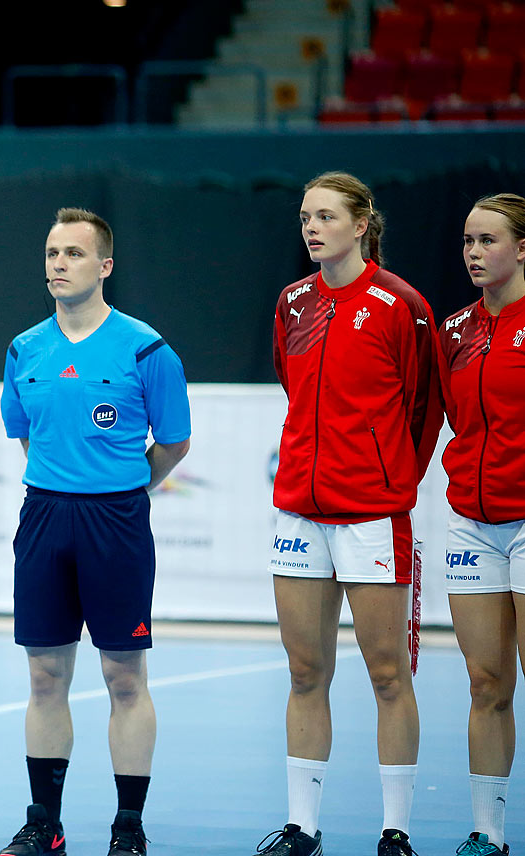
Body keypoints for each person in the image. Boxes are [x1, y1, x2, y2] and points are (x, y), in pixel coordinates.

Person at [0, 207, 191, 856]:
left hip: (117, 522)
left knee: (123, 679)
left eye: (74, 254)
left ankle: (127, 828)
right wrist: (66, 481)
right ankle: (43, 825)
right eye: (52, 252)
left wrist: (122, 489)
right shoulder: (24, 349)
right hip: (45, 517)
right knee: (45, 677)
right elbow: (25, 436)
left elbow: (173, 442)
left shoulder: (146, 349)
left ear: (104, 266)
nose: (59, 264)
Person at [261, 172, 442, 856]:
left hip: (372, 514)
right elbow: (293, 381)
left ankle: (395, 829)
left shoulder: (402, 306)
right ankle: (302, 826)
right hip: (300, 515)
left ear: (362, 224)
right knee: (305, 672)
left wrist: (393, 481)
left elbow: (424, 409)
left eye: (326, 216)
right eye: (305, 216)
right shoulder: (292, 302)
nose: (311, 228)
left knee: (388, 673)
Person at [438, 193, 525, 856]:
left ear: (521, 248)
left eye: (487, 240)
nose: (473, 252)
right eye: (468, 241)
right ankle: (487, 834)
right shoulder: (454, 331)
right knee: (486, 681)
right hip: (470, 523)